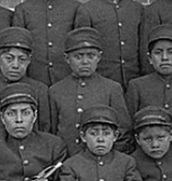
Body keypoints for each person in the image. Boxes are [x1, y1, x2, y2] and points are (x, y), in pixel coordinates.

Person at [49, 27, 132, 157]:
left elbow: (123, 131)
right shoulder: (56, 91)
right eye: (78, 57)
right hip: (66, 160)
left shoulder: (112, 88)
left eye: (91, 56)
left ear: (99, 57)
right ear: (67, 59)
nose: (85, 61)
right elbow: (51, 131)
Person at [126, 24, 172, 158]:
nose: (165, 58)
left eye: (171, 52)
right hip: (144, 159)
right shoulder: (137, 86)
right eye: (158, 52)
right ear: (149, 58)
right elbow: (129, 129)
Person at [76, 0, 144, 89]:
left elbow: (144, 49)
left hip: (134, 81)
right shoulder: (87, 10)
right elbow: (83, 50)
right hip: (102, 83)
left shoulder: (138, 9)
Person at [13, 0, 81, 86]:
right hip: (34, 78)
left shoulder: (76, 8)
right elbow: (18, 47)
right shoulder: (23, 9)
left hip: (67, 78)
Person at [0, 27, 51, 134]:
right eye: (9, 59)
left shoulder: (40, 90)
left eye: (22, 59)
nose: (15, 65)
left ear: (29, 60)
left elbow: (45, 128)